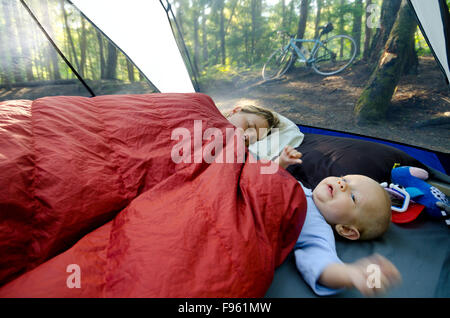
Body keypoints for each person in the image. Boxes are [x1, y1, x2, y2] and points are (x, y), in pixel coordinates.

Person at [278, 146, 402, 297]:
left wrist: (351, 274)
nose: (342, 184)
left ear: (346, 230)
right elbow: (263, 181)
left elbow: (321, 262)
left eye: (353, 197)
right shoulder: (300, 187)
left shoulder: (317, 228)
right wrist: (280, 165)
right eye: (344, 179)